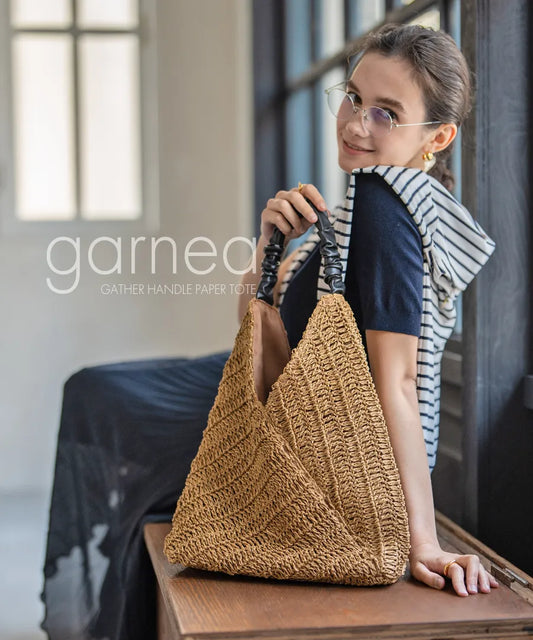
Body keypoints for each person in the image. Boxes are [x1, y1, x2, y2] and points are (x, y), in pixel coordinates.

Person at [41, 23, 497, 640]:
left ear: (437, 137)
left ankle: (117, 601)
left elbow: (399, 385)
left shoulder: (388, 210)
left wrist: (425, 541)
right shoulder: (352, 211)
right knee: (100, 397)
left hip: (327, 448)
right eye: (355, 97)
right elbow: (265, 346)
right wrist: (267, 250)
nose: (356, 123)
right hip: (289, 400)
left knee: (102, 402)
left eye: (387, 113)